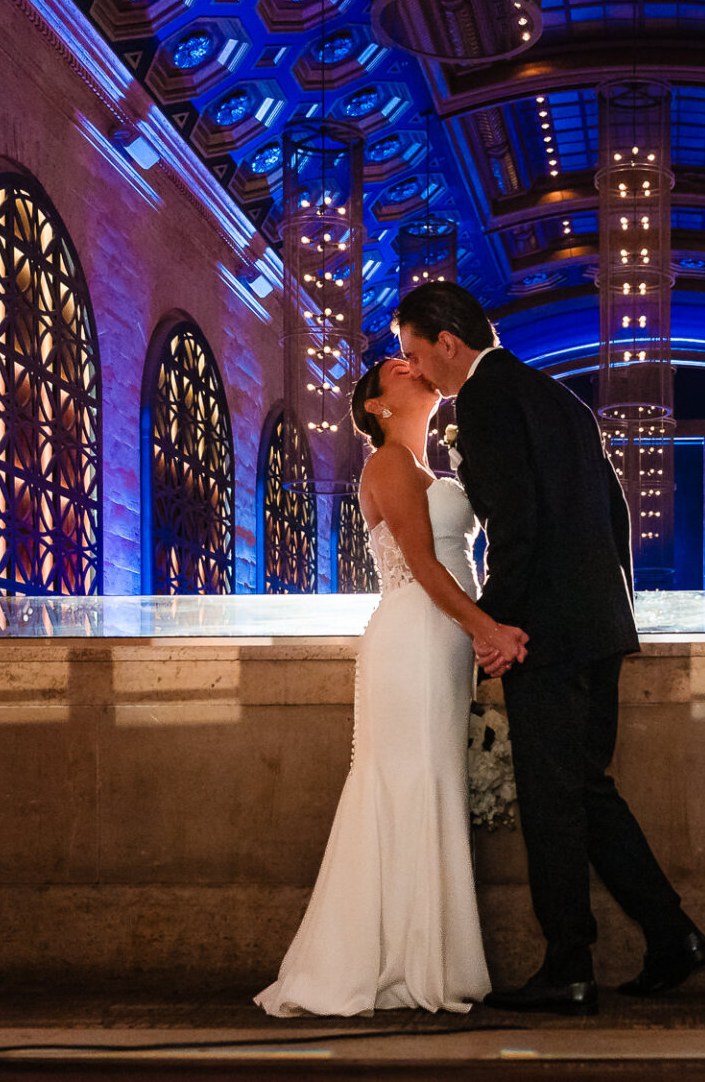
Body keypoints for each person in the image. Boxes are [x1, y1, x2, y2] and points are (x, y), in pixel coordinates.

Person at [393, 280, 705, 1017]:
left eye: (416, 352)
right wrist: (614, 608)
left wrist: (492, 627)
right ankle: (671, 935)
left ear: (449, 341)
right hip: (598, 627)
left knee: (552, 803)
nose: (417, 370)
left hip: (544, 632)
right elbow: (613, 512)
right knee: (584, 789)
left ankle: (569, 967)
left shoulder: (482, 402)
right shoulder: (559, 397)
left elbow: (518, 526)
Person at [255, 356, 522, 1017]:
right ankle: (393, 962)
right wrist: (486, 628)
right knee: (407, 782)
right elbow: (425, 564)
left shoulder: (429, 467)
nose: (413, 366)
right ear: (376, 406)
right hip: (416, 633)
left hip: (442, 638)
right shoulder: (389, 465)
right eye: (397, 367)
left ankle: (421, 957)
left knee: (430, 783)